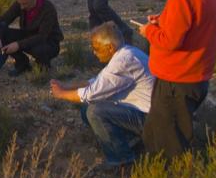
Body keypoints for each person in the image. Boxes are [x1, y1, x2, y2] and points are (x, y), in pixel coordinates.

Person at [138, 0, 216, 159]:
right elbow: (197, 24)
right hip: (197, 76)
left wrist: (149, 30)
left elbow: (169, 41)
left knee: (169, 144)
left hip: (177, 81)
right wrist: (163, 20)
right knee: (163, 132)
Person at [50, 22, 154, 168]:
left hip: (148, 118)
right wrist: (67, 86)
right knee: (88, 108)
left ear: (110, 47)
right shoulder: (126, 53)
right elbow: (96, 82)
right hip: (142, 112)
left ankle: (122, 160)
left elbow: (90, 94)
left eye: (96, 48)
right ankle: (125, 141)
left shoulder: (123, 61)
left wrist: (61, 94)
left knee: (95, 111)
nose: (94, 52)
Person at [0, 0, 63, 76]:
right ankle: (22, 64)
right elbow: (3, 20)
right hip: (29, 36)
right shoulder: (20, 3)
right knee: (3, 34)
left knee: (39, 50)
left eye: (25, 4)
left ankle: (43, 66)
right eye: (20, 3)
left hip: (48, 42)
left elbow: (42, 36)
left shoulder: (48, 9)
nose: (21, 7)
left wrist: (18, 45)